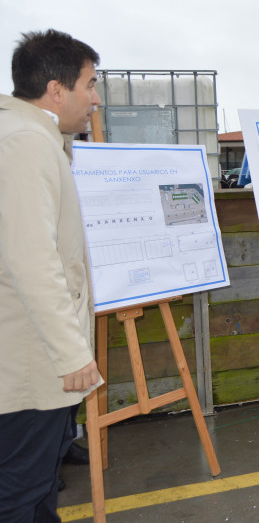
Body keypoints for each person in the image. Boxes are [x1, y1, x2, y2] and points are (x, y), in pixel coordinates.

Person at [0, 29, 103, 521]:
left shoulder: (28, 136)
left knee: (35, 490)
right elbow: (31, 259)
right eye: (90, 84)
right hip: (27, 360)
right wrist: (71, 353)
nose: (95, 100)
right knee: (20, 494)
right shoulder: (25, 143)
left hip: (24, 353)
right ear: (57, 90)